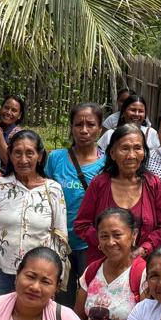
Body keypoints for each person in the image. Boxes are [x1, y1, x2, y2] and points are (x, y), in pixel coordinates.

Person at [0, 130, 68, 297]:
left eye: (29, 153)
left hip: (40, 275)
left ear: (39, 156)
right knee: (3, 313)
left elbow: (60, 237)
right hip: (3, 272)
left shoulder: (53, 189)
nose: (23, 160)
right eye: (17, 153)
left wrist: (58, 275)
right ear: (10, 155)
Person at [75, 125, 161, 263]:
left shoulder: (153, 184)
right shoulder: (99, 184)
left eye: (137, 148)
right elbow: (82, 225)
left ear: (144, 152)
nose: (131, 155)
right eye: (125, 148)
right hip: (103, 263)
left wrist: (144, 249)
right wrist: (107, 243)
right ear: (112, 153)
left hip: (143, 265)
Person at [75, 208, 146, 320]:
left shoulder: (143, 274)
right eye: (104, 236)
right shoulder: (92, 271)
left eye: (117, 235)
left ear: (134, 235)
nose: (110, 242)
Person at [44, 102, 104, 306]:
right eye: (78, 124)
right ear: (71, 127)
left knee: (91, 297)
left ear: (100, 128)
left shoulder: (107, 164)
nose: (84, 130)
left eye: (91, 124)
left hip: (92, 244)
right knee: (62, 297)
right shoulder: (56, 158)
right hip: (60, 241)